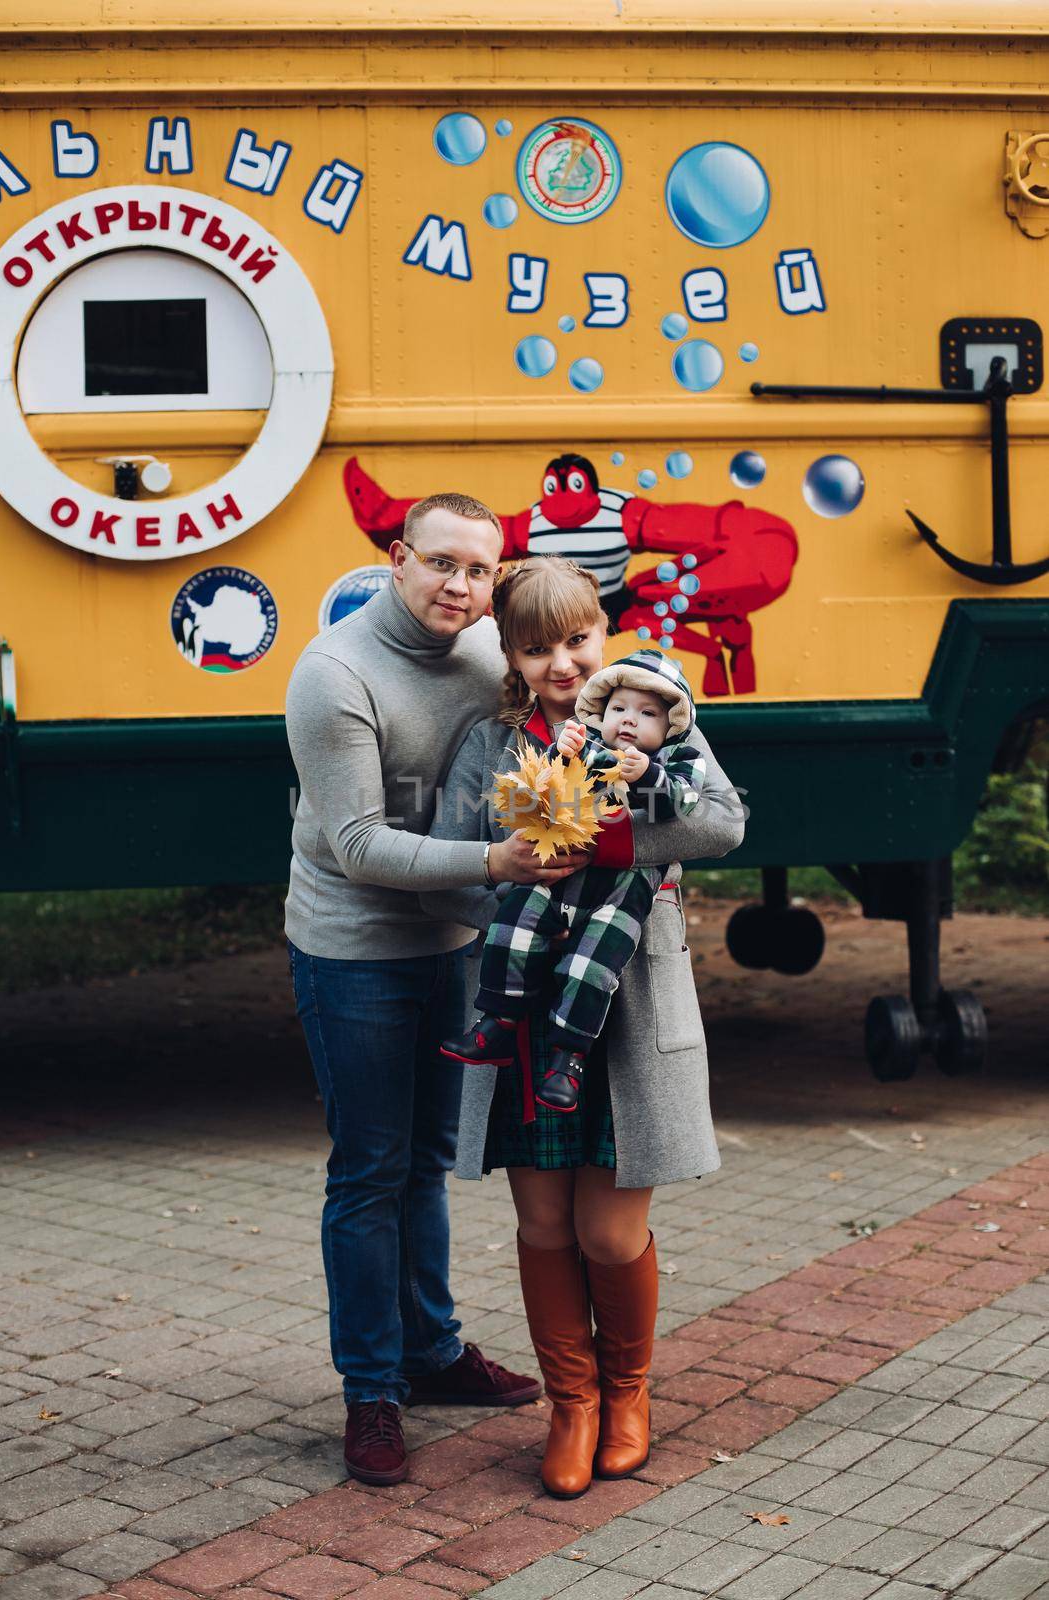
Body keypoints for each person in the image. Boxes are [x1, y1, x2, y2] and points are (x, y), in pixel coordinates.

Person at [284, 494, 595, 1488]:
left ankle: (431, 1350)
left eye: (479, 571)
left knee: (428, 1160)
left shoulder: (481, 655)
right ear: (395, 558)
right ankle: (371, 1388)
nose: (459, 586)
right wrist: (500, 863)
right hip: (355, 948)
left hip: (456, 938)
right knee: (369, 1169)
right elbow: (357, 843)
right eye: (440, 563)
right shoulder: (332, 673)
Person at [419, 556, 746, 1499]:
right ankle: (574, 1403)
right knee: (544, 1220)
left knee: (608, 1232)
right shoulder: (492, 742)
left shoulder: (658, 713)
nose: (561, 663)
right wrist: (515, 877)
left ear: (602, 633)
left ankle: (628, 1391)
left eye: (576, 640)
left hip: (626, 1003)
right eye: (535, 648)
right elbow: (456, 868)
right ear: (509, 657)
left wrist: (603, 836)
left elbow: (720, 825)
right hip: (524, 1007)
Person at [440, 648, 708, 1115]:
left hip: (624, 892)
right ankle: (498, 1020)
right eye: (620, 709)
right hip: (561, 880)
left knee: (590, 966)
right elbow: (543, 792)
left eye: (647, 714)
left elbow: (683, 807)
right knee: (513, 925)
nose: (628, 721)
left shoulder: (678, 756)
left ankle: (569, 1058)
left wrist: (648, 775)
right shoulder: (586, 744)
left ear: (670, 724)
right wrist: (559, 757)